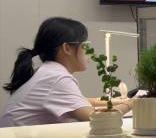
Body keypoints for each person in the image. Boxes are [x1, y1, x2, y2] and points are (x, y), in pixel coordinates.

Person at [0, 18, 132, 127]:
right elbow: (100, 121)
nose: (88, 52)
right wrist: (133, 104)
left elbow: (81, 101)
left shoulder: (48, 71)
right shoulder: (56, 78)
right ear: (67, 48)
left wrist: (118, 101)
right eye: (84, 45)